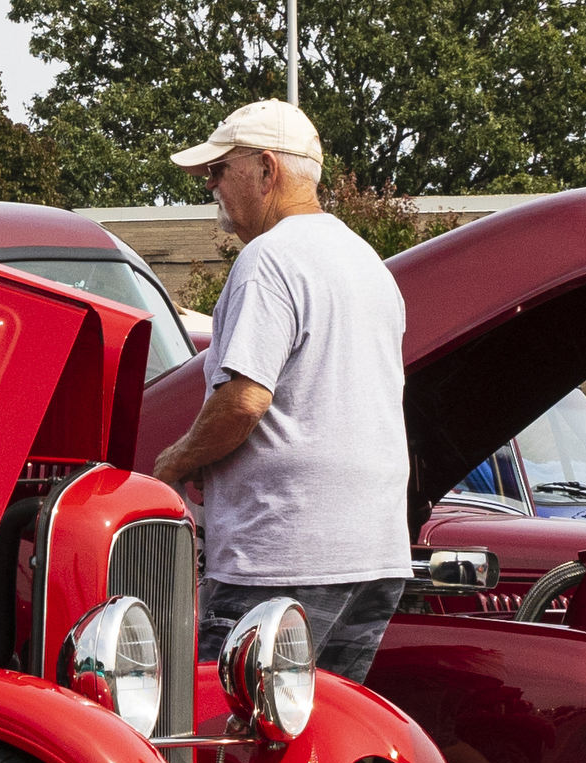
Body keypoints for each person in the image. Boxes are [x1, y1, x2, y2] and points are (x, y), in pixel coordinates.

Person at [148, 99, 413, 683]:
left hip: (282, 555)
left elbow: (244, 400)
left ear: (267, 171)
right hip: (374, 552)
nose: (212, 185)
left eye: (220, 169)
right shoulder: (369, 264)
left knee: (227, 737)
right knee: (319, 735)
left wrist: (178, 460)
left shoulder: (268, 259)